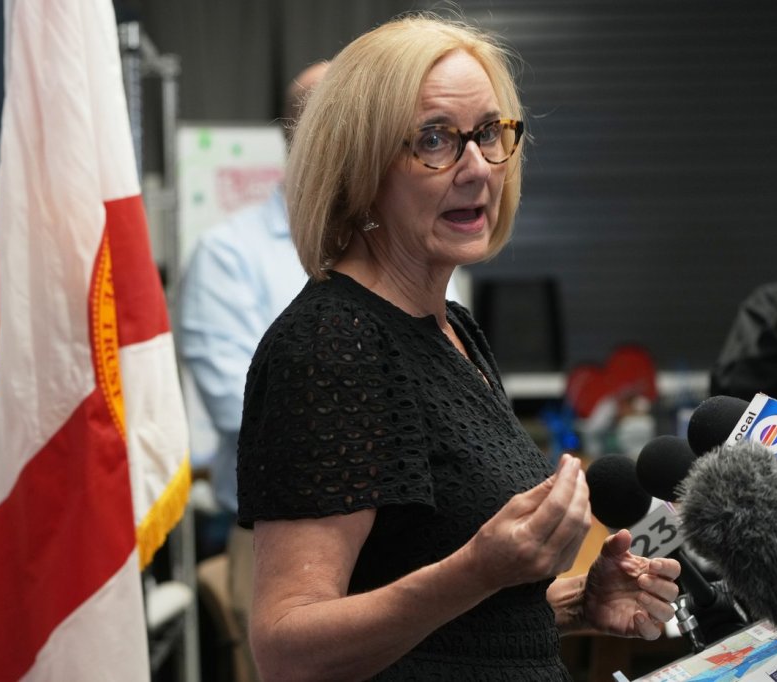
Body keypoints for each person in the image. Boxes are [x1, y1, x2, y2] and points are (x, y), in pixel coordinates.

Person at [236, 14, 682, 681]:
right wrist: (477, 569)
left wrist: (572, 604)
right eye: (434, 140)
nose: (477, 168)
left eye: (489, 133)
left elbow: (445, 620)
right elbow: (286, 650)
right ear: (359, 167)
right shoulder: (333, 344)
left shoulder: (451, 326)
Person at [178, 61, 328, 682]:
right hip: (280, 542)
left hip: (406, 543)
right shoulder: (229, 255)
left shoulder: (407, 248)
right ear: (305, 135)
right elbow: (252, 415)